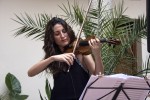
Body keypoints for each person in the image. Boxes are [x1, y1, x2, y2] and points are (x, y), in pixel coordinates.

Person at [28, 17, 104, 100]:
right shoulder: (54, 56)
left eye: (64, 31)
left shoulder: (81, 51)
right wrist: (52, 58)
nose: (62, 36)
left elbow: (98, 77)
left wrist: (97, 55)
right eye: (57, 34)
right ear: (52, 38)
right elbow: (30, 73)